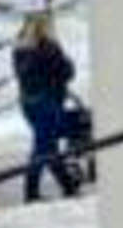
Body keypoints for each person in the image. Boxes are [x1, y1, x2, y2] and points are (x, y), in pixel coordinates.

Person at [12, 13, 84, 203]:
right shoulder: (48, 47)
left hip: (29, 103)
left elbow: (26, 76)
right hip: (47, 102)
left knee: (48, 144)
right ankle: (31, 191)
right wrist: (62, 64)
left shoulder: (20, 48)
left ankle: (67, 185)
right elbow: (67, 71)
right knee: (43, 146)